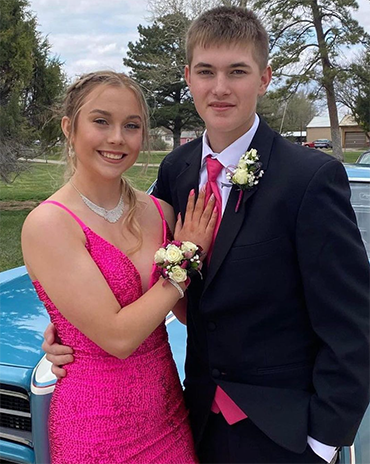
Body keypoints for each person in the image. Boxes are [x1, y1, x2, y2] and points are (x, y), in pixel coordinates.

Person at [43, 7, 370, 464]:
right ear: (188, 77)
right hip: (191, 418)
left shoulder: (310, 178)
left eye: (237, 71)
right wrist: (70, 327)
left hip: (285, 433)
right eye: (206, 71)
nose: (220, 87)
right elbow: (136, 265)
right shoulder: (176, 172)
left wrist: (323, 442)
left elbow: (352, 321)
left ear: (264, 78)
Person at [22, 70, 217, 464]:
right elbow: (116, 337)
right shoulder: (48, 224)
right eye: (101, 121)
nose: (117, 138)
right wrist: (188, 254)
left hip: (167, 414)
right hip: (94, 427)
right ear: (68, 127)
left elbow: (183, 315)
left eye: (131, 126)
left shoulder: (160, 212)